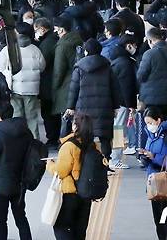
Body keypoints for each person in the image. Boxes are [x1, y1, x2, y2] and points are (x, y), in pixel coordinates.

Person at [0, 102, 33, 240]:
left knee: (0, 221)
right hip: (20, 182)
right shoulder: (25, 131)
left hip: (0, 186)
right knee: (21, 217)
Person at [66, 39, 120, 160]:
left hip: (83, 108)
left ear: (86, 51)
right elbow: (115, 88)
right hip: (105, 107)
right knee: (105, 136)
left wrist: (70, 107)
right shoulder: (107, 66)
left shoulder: (79, 67)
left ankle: (87, 161)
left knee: (85, 134)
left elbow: (74, 89)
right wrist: (116, 106)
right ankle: (106, 160)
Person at [46, 112, 95, 240]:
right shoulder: (93, 145)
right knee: (79, 231)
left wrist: (50, 165)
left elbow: (61, 171)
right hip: (86, 194)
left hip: (70, 194)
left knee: (62, 227)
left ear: (75, 126)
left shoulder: (69, 146)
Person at [139, 107, 167, 240]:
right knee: (158, 218)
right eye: (146, 123)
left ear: (158, 120)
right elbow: (150, 154)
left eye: (150, 122)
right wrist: (145, 157)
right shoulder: (151, 134)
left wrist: (154, 156)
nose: (148, 126)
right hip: (153, 180)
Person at [0, 22, 45, 138]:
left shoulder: (8, 49)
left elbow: (0, 66)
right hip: (32, 90)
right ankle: (34, 143)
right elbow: (42, 66)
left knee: (17, 117)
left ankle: (19, 141)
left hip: (15, 89)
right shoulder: (35, 50)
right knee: (32, 119)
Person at [51, 16, 83, 144]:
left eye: (56, 29)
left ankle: (64, 145)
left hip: (66, 85)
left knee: (66, 117)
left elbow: (58, 71)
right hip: (80, 81)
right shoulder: (79, 40)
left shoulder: (62, 46)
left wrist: (54, 88)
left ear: (62, 30)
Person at [137, 28, 167, 120]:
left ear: (149, 40)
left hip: (151, 98)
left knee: (153, 127)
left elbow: (141, 76)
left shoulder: (149, 54)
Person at [110, 34, 139, 168]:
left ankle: (128, 148)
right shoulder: (126, 63)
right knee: (119, 130)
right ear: (128, 46)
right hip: (122, 102)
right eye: (134, 45)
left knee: (119, 128)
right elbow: (128, 87)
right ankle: (115, 159)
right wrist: (131, 105)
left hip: (116, 100)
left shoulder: (116, 59)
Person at [35, 17, 59, 147]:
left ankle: (52, 138)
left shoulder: (46, 44)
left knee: (48, 112)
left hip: (47, 83)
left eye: (36, 30)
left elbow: (42, 64)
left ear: (42, 29)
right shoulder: (54, 39)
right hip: (53, 82)